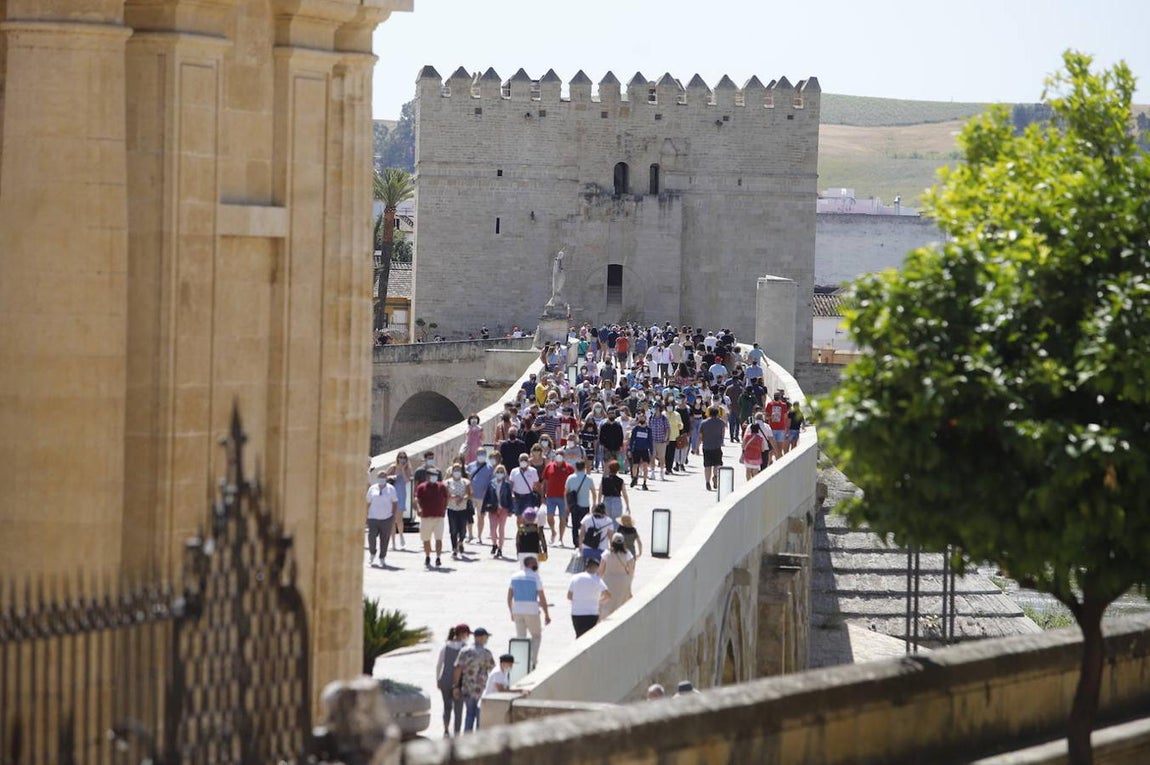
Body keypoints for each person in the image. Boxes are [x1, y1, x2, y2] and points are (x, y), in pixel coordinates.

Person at [507, 555, 551, 670]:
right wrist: (547, 614)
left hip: (517, 610)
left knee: (521, 637)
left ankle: (520, 663)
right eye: (535, 563)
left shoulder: (514, 576)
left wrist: (511, 611)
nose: (536, 565)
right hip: (531, 610)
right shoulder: (535, 577)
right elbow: (542, 597)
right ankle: (533, 661)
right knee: (536, 636)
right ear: (530, 564)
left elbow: (509, 596)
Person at [453, 627, 494, 732]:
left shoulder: (464, 651)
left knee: (469, 713)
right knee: (480, 714)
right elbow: (492, 670)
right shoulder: (486, 653)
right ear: (481, 637)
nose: (487, 639)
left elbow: (458, 668)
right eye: (486, 637)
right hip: (481, 689)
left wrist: (456, 686)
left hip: (467, 687)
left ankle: (467, 736)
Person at [435, 624, 469, 737]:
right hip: (459, 682)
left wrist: (438, 679)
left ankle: (445, 730)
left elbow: (439, 665)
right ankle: (457, 733)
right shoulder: (465, 648)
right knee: (458, 709)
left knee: (446, 707)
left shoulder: (445, 647)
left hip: (445, 680)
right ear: (463, 634)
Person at [567, 558, 610, 637]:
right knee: (589, 637)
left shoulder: (575, 578)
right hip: (592, 613)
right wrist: (599, 601)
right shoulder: (597, 580)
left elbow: (569, 596)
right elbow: (607, 595)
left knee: (579, 635)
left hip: (577, 613)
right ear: (597, 568)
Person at [414, 468, 448, 567]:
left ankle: (438, 557)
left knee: (439, 538)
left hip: (438, 517)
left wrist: (444, 509)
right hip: (426, 517)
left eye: (435, 475)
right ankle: (427, 556)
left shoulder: (442, 486)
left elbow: (446, 498)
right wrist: (419, 509)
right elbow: (417, 499)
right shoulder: (421, 487)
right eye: (432, 475)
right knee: (426, 539)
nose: (434, 477)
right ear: (427, 476)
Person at [366, 469, 399, 567]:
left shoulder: (391, 489)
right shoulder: (372, 488)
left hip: (386, 518)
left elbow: (395, 503)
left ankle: (382, 557)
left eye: (384, 477)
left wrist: (393, 516)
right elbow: (367, 502)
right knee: (371, 537)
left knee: (384, 539)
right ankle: (372, 553)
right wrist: (365, 515)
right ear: (377, 478)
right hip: (373, 517)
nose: (382, 479)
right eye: (380, 477)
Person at [540, 453, 574, 545]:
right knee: (549, 516)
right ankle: (553, 531)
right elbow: (544, 482)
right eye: (558, 454)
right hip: (550, 496)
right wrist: (542, 496)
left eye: (561, 454)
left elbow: (573, 483)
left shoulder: (569, 468)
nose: (559, 456)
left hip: (564, 498)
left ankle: (560, 539)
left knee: (562, 518)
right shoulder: (549, 466)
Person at [598, 533, 635, 618]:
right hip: (623, 581)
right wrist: (629, 581)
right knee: (621, 603)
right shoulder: (627, 554)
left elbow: (600, 570)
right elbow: (631, 570)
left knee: (608, 605)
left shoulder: (606, 553)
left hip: (609, 581)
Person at [564, 460, 595, 548]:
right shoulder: (589, 478)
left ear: (575, 467)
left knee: (574, 524)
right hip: (585, 504)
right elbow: (593, 492)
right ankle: (584, 541)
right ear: (584, 467)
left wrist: (566, 505)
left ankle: (576, 542)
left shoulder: (570, 478)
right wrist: (594, 503)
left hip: (574, 505)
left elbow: (566, 492)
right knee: (585, 524)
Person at [484, 464, 512, 558]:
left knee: (501, 529)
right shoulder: (491, 483)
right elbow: (486, 496)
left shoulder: (507, 485)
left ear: (504, 473)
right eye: (498, 471)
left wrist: (510, 510)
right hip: (493, 509)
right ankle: (494, 544)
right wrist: (483, 509)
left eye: (501, 472)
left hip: (503, 508)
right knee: (492, 529)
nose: (499, 473)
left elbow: (509, 498)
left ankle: (500, 548)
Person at [444, 464, 472, 560]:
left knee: (463, 530)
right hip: (452, 509)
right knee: (453, 530)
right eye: (455, 470)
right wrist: (452, 497)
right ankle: (454, 548)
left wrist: (462, 498)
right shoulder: (447, 482)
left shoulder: (466, 482)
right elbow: (445, 495)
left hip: (463, 509)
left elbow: (470, 494)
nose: (457, 472)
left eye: (458, 470)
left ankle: (460, 542)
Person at [468, 448, 495, 544]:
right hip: (471, 496)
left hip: (483, 497)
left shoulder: (490, 467)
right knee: (469, 516)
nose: (481, 455)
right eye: (479, 453)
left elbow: (492, 482)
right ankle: (470, 534)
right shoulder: (470, 466)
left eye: (483, 453)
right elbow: (467, 480)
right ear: (476, 454)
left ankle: (479, 536)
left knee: (481, 517)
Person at [699, 406, 727, 492]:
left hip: (706, 446)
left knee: (707, 466)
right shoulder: (721, 422)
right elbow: (723, 432)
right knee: (717, 464)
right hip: (717, 446)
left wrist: (697, 447)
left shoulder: (704, 423)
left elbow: (700, 436)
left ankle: (707, 482)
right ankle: (715, 476)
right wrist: (721, 441)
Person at [388, 452, 412, 551]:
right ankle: (393, 542)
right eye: (400, 457)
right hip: (391, 494)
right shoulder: (392, 467)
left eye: (404, 457)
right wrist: (391, 477)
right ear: (397, 458)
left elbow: (407, 480)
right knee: (392, 520)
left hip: (401, 494)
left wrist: (402, 469)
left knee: (399, 519)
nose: (402, 459)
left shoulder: (408, 468)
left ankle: (401, 535)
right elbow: (384, 476)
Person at [508, 454, 540, 521]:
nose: (523, 461)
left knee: (528, 516)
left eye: (525, 460)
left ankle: (526, 530)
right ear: (519, 461)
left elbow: (537, 484)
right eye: (521, 460)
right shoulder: (514, 471)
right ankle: (520, 531)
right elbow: (511, 484)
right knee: (518, 516)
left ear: (528, 461)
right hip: (517, 496)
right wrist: (511, 494)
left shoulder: (533, 471)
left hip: (528, 496)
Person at [627, 412, 652, 491]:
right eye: (640, 418)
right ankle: (634, 478)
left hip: (644, 450)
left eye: (643, 417)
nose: (641, 419)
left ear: (645, 419)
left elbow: (650, 441)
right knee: (635, 465)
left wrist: (651, 451)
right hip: (636, 449)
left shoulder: (648, 430)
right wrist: (630, 450)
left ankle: (644, 483)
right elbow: (632, 440)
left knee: (645, 466)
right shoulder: (636, 429)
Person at [765, 392, 790, 461]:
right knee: (772, 448)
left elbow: (785, 417)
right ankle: (770, 461)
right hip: (772, 429)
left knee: (779, 448)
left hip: (781, 428)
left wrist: (786, 428)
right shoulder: (770, 404)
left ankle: (778, 463)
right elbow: (766, 417)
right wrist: (771, 416)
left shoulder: (783, 405)